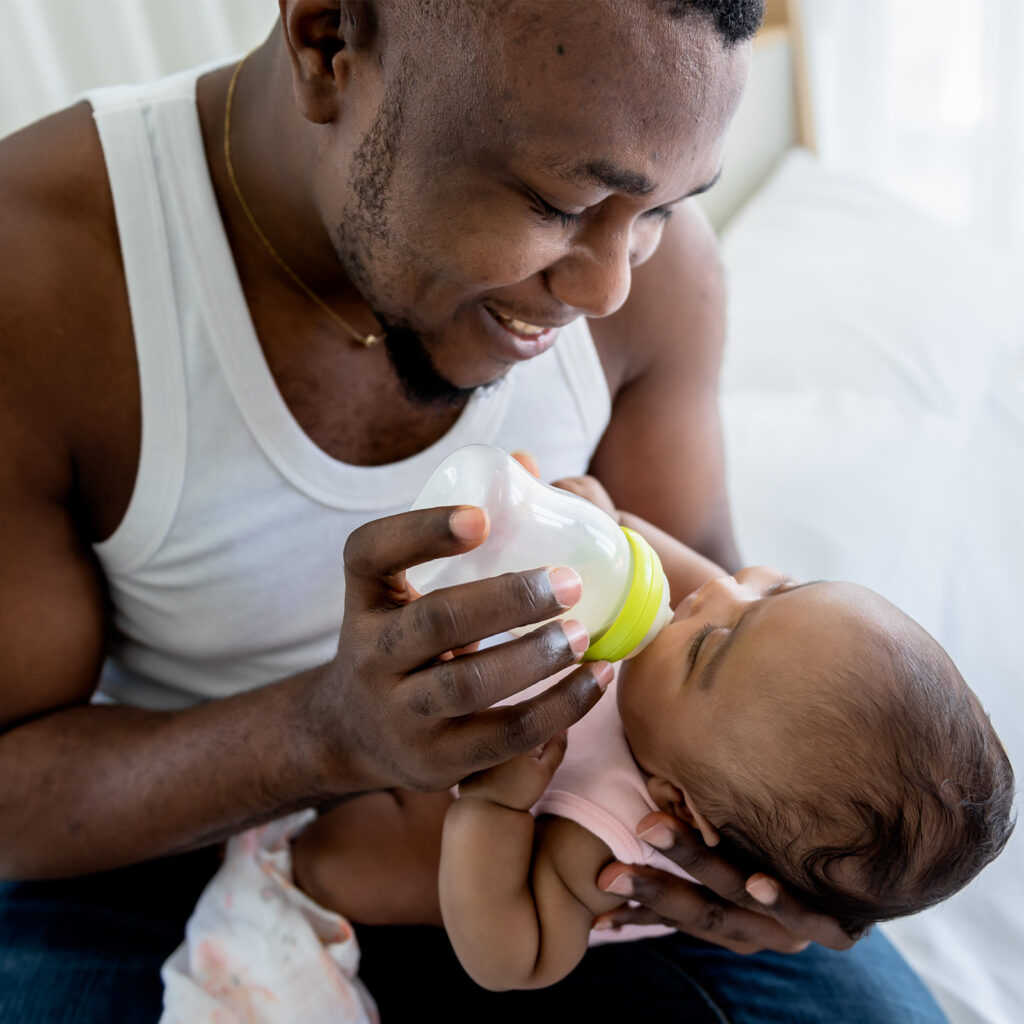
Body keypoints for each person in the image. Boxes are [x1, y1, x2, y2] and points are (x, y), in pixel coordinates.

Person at [0, 0, 953, 1019]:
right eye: (559, 202)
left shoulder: (655, 276)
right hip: (154, 851)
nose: (606, 289)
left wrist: (755, 854)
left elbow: (713, 613)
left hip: (544, 850)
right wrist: (333, 733)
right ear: (327, 43)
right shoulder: (43, 278)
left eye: (668, 207)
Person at [437, 478, 1015, 991]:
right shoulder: (718, 655)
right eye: (780, 589)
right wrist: (607, 529)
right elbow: (651, 562)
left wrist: (492, 806)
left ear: (676, 803)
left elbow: (518, 959)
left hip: (435, 825)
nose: (721, 590)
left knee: (369, 868)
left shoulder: (607, 838)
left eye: (707, 645)